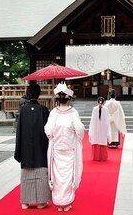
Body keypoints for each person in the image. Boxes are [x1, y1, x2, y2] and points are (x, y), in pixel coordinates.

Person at [44, 82, 85, 212]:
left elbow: (48, 130)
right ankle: (66, 203)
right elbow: (79, 130)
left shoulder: (53, 113)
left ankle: (59, 202)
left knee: (57, 176)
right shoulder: (73, 113)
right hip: (69, 149)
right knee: (67, 176)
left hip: (57, 149)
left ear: (57, 99)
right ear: (69, 99)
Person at [14, 83, 51, 209]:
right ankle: (41, 201)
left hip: (26, 149)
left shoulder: (23, 110)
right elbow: (49, 132)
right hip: (41, 148)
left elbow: (19, 132)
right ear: (39, 94)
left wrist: (18, 151)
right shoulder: (44, 110)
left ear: (28, 94)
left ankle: (25, 201)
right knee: (41, 174)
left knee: (26, 174)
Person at [89, 96, 111, 161]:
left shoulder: (106, 109)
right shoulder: (95, 109)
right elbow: (92, 119)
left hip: (103, 127)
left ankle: (101, 157)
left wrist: (107, 130)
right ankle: (96, 157)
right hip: (96, 127)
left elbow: (107, 119)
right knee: (96, 140)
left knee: (102, 140)